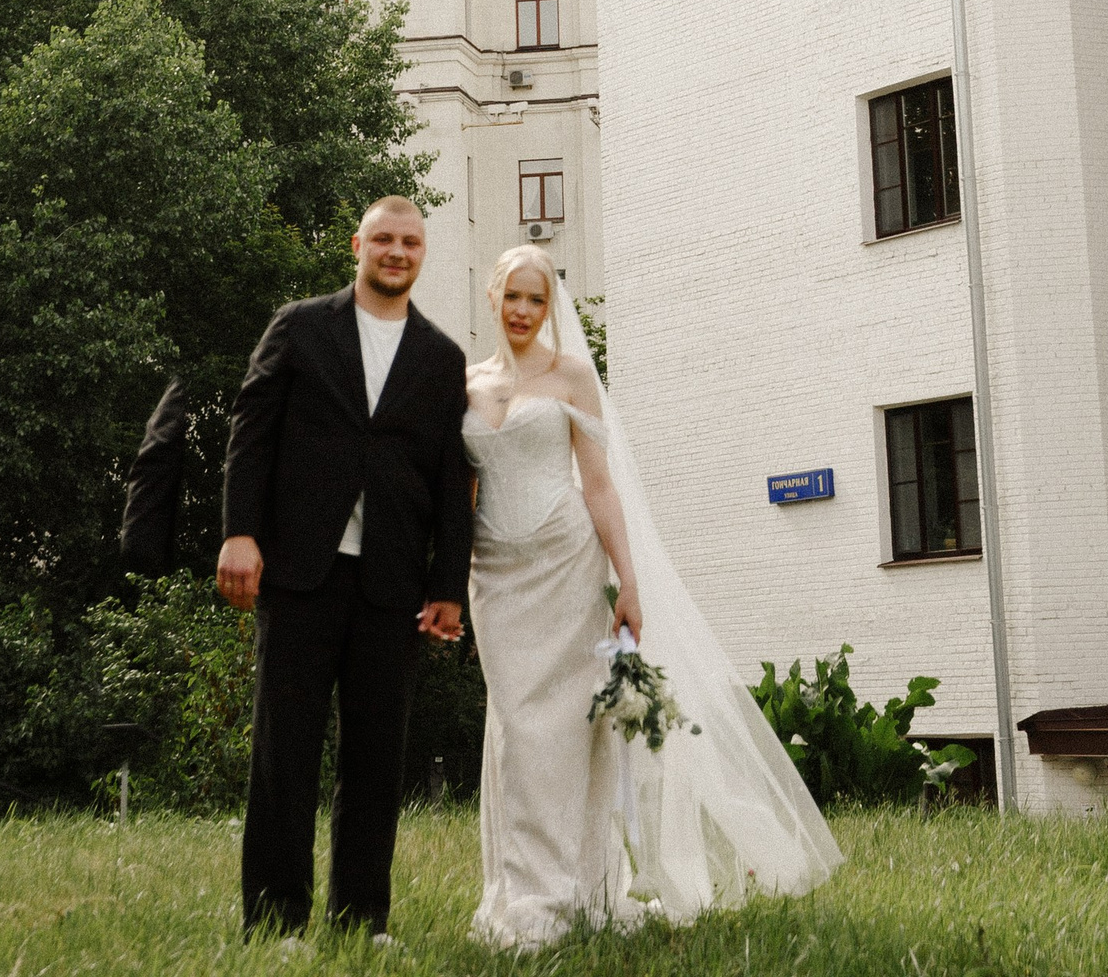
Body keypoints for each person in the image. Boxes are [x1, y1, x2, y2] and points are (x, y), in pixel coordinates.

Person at [462, 250, 841, 950]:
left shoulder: (572, 376)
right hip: (495, 576)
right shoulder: (464, 385)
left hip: (565, 561)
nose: (521, 310)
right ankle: (520, 890)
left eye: (535, 300)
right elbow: (463, 492)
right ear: (491, 297)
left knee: (573, 724)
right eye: (511, 296)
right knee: (517, 731)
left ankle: (570, 892)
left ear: (549, 308)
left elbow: (599, 483)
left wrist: (628, 580)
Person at [219, 196, 472, 940]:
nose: (397, 252)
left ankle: (363, 918)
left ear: (423, 254)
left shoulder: (441, 358)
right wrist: (240, 534)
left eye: (411, 243)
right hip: (299, 574)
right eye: (384, 240)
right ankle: (275, 924)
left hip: (390, 586)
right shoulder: (299, 327)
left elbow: (451, 486)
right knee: (283, 757)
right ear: (358, 245)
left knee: (374, 763)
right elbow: (249, 436)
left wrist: (448, 587)